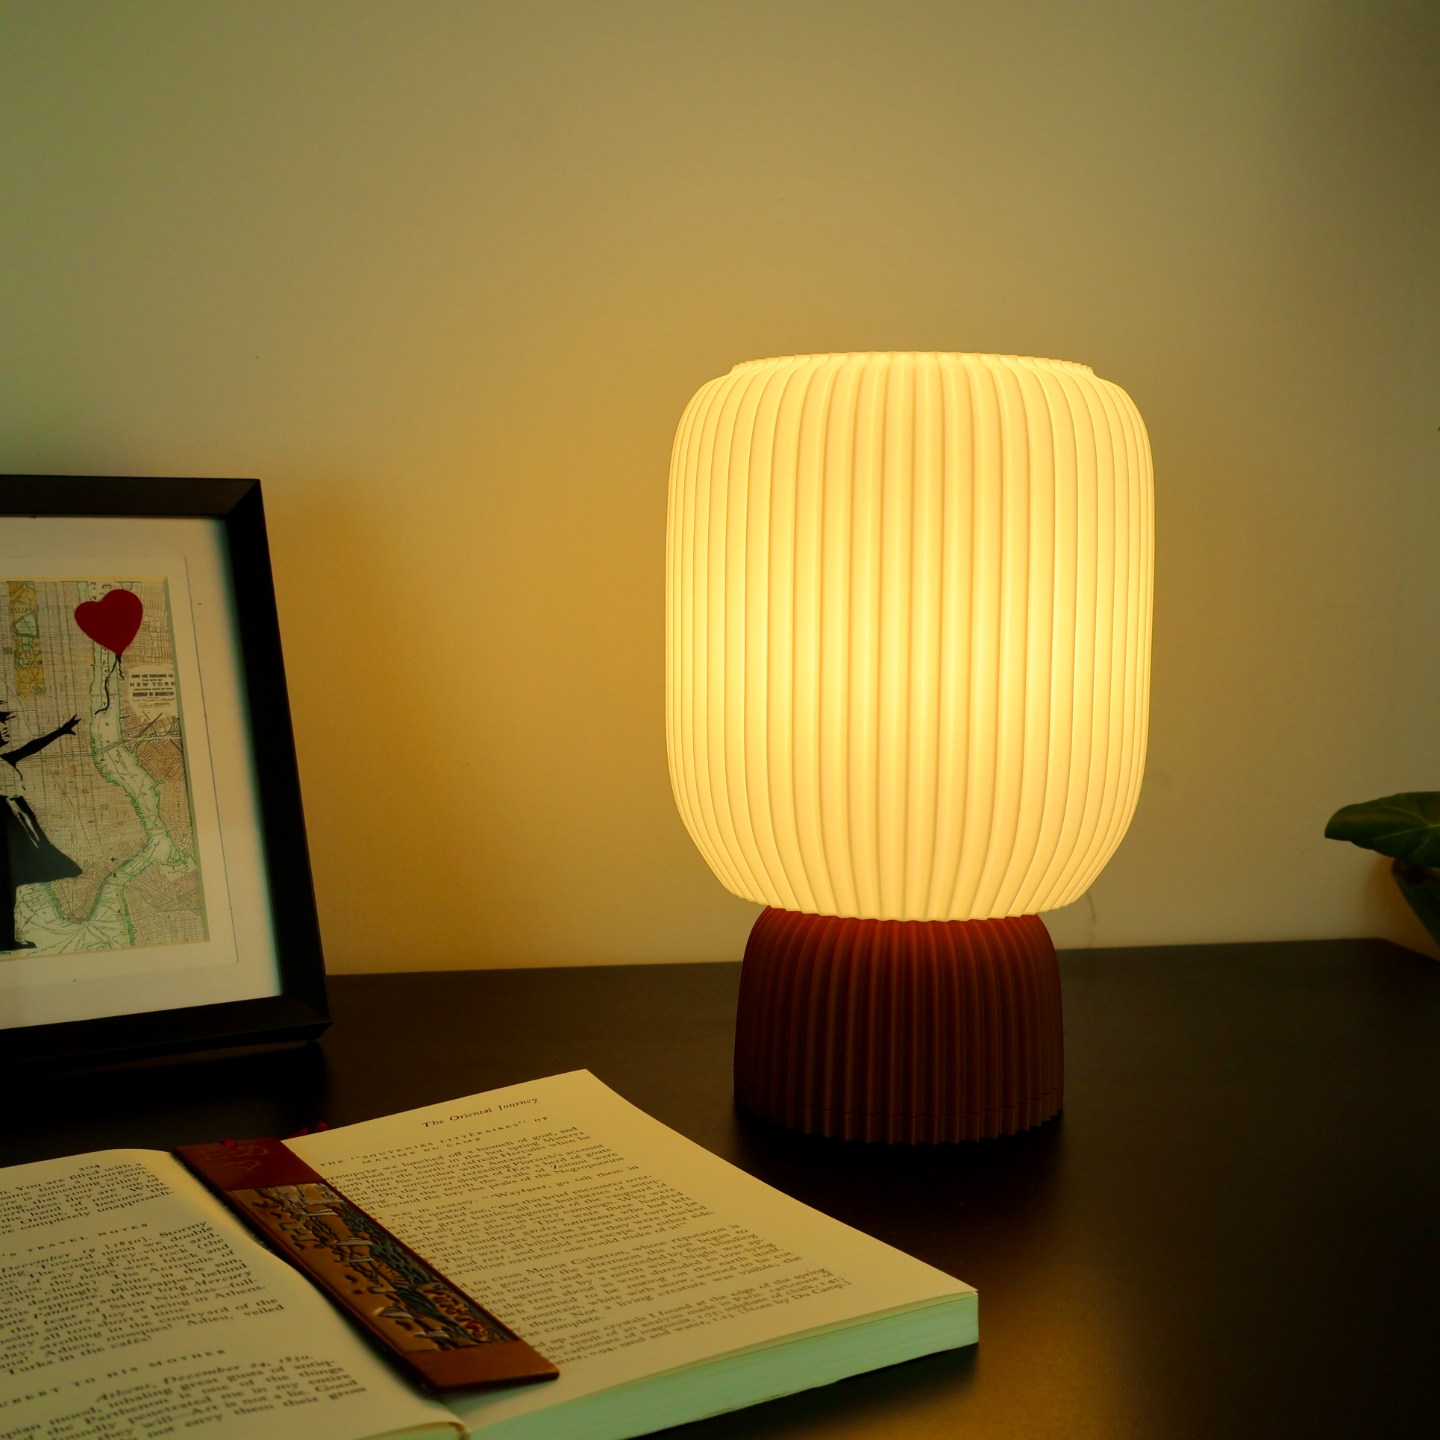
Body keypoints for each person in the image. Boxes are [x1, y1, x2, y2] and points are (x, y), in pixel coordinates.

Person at [0, 708, 82, 952]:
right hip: (9, 831)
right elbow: (10, 805)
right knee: (6, 886)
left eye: (4, 723)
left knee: (9, 887)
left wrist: (61, 731)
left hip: (15, 829)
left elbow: (31, 747)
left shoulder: (4, 759)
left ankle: (6, 939)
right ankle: (4, 940)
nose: (5, 728)